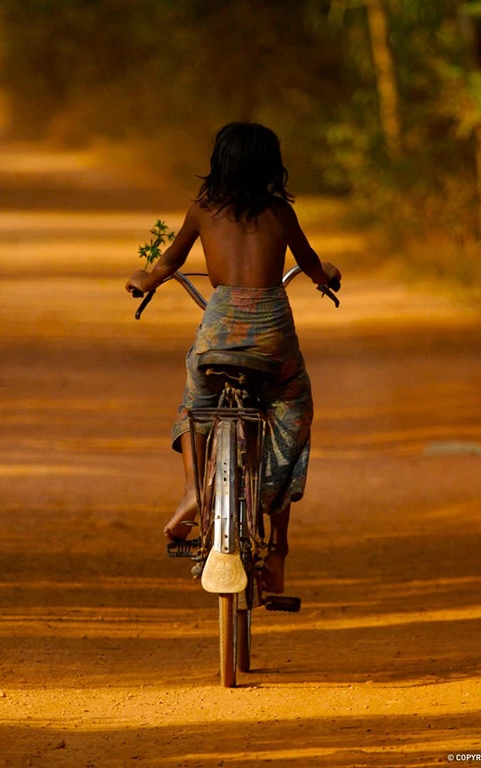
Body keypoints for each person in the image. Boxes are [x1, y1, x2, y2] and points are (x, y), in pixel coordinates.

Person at [124, 122, 341, 593]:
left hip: (218, 332)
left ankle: (191, 493)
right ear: (269, 164)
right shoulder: (280, 213)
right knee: (291, 401)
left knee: (196, 399)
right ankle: (279, 550)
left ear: (219, 162)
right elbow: (309, 263)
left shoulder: (203, 210)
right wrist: (328, 274)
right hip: (271, 336)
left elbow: (169, 263)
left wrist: (145, 277)